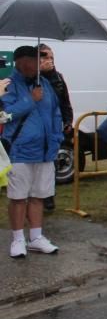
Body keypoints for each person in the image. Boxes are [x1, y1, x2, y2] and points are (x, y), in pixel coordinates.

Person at [3, 46, 63, 258]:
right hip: (20, 150)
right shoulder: (8, 86)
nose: (35, 64)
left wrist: (57, 138)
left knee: (39, 195)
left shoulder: (45, 84)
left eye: (37, 60)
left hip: (45, 150)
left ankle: (36, 237)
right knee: (18, 197)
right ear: (19, 62)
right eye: (31, 60)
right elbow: (5, 116)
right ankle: (18, 239)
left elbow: (56, 112)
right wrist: (30, 100)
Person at [37, 45, 72, 211]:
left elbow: (65, 101)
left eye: (51, 57)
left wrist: (68, 121)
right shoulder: (31, 77)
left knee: (50, 162)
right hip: (36, 126)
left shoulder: (57, 77)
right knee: (36, 163)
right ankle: (35, 196)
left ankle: (48, 196)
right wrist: (40, 72)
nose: (49, 60)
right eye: (44, 56)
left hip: (53, 126)